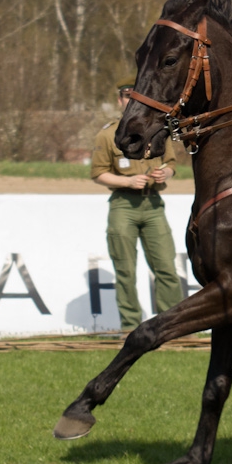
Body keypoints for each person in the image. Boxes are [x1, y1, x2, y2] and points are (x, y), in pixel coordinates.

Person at [91, 77, 184, 332]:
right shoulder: (108, 134)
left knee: (166, 266)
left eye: (135, 96)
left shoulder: (158, 128)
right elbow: (99, 173)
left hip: (153, 204)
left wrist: (166, 173)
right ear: (120, 100)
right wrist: (128, 182)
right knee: (126, 270)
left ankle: (170, 327)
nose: (130, 101)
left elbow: (172, 164)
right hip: (124, 205)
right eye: (126, 97)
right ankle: (130, 327)